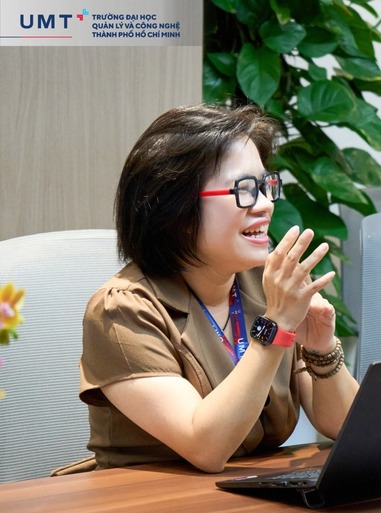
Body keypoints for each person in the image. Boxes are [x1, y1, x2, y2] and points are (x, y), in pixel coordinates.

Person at [79, 104, 359, 472]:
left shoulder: (267, 283)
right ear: (176, 209)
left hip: (250, 491)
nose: (265, 205)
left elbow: (346, 427)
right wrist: (275, 327)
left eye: (265, 186)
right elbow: (206, 448)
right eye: (244, 189)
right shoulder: (121, 311)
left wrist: (321, 348)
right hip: (149, 496)